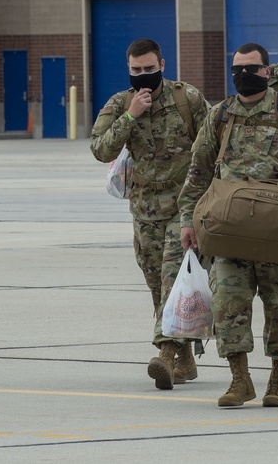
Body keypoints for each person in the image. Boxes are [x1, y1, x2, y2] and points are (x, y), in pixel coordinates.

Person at [178, 42, 278, 408]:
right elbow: (197, 172)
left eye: (252, 68)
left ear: (267, 71)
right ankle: (240, 380)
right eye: (237, 69)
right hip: (229, 231)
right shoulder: (219, 115)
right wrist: (188, 221)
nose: (244, 76)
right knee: (228, 305)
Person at [89, 38, 211, 390]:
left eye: (149, 68)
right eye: (136, 70)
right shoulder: (120, 104)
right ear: (128, 70)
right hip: (144, 209)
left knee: (174, 278)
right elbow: (100, 149)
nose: (143, 75)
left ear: (162, 64)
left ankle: (165, 355)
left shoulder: (186, 98)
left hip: (184, 206)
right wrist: (131, 117)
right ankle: (185, 357)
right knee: (158, 287)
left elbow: (213, 142)